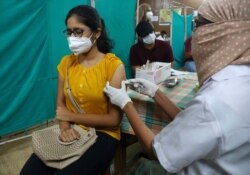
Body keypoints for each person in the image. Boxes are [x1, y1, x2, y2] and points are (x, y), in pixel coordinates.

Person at [104, 0, 250, 174]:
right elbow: (192, 121)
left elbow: (156, 150)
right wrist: (155, 92)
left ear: (223, 31)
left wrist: (126, 104)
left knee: (143, 168)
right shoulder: (238, 80)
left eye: (197, 25)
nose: (195, 34)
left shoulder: (213, 101)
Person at [20, 5, 125, 175]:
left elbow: (114, 120)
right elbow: (61, 106)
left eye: (78, 31)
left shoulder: (113, 67)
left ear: (96, 33)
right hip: (72, 130)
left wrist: (71, 117)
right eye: (69, 32)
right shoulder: (66, 64)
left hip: (103, 135)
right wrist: (64, 127)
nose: (72, 38)